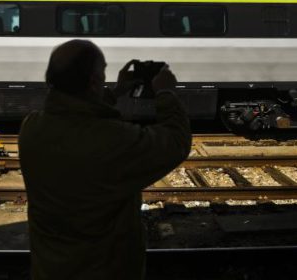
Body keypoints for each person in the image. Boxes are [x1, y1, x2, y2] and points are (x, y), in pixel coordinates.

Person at [19, 39, 192, 280]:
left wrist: (114, 93)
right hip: (102, 269)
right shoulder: (113, 140)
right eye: (102, 73)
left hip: (49, 268)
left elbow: (77, 111)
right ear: (93, 82)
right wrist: (166, 92)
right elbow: (175, 141)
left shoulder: (31, 128)